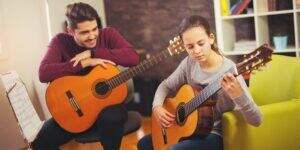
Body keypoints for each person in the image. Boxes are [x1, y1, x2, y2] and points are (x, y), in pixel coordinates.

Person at [137, 15, 262, 150]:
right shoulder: (189, 63)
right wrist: (157, 106)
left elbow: (257, 120)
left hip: (214, 134)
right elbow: (165, 85)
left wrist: (239, 95)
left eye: (201, 43)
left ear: (211, 38)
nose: (196, 51)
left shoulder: (230, 71)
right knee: (144, 144)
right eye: (190, 47)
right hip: (186, 129)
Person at [32, 2, 139, 150]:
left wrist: (93, 53)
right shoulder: (60, 42)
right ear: (70, 31)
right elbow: (44, 73)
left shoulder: (108, 34)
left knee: (110, 117)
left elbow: (133, 58)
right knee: (39, 141)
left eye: (94, 29)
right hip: (76, 113)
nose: (92, 36)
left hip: (108, 109)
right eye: (84, 32)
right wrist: (83, 63)